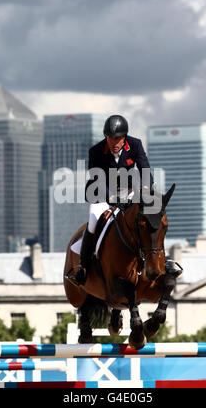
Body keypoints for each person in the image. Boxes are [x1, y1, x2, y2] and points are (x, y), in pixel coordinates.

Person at [68, 114, 154, 286]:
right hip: (101, 193)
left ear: (124, 137)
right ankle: (83, 268)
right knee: (92, 223)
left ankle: (157, 260)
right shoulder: (96, 151)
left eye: (117, 139)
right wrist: (111, 197)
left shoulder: (135, 144)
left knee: (149, 215)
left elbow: (144, 168)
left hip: (127, 190)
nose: (113, 143)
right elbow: (97, 178)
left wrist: (146, 188)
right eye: (110, 138)